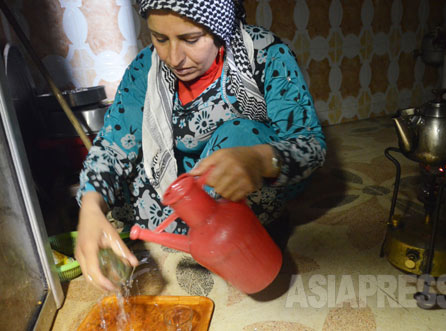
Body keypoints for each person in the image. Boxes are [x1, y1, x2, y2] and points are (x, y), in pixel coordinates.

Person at [75, 0, 326, 292]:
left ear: (218, 27)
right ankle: (193, 227)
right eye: (160, 38)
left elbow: (310, 144)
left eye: (190, 39)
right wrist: (91, 207)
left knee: (239, 135)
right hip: (181, 181)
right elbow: (114, 145)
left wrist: (259, 159)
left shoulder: (265, 54)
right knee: (118, 179)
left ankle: (244, 228)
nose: (173, 57)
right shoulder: (146, 68)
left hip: (242, 181)